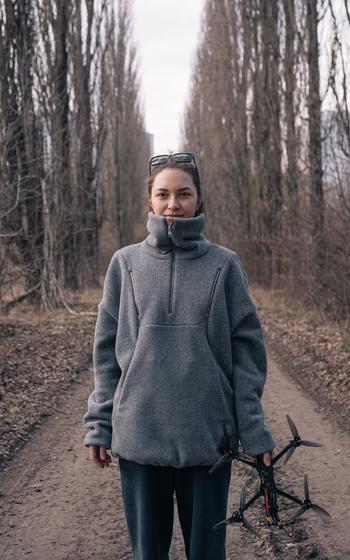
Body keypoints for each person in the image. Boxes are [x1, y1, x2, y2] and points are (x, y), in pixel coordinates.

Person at [83, 152, 276, 560]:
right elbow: (106, 349)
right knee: (147, 554)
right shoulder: (125, 264)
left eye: (184, 193)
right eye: (163, 194)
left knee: (207, 553)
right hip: (139, 435)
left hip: (208, 439)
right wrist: (99, 422)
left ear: (199, 199)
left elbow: (247, 351)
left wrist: (253, 426)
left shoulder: (225, 265)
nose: (174, 203)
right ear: (150, 201)